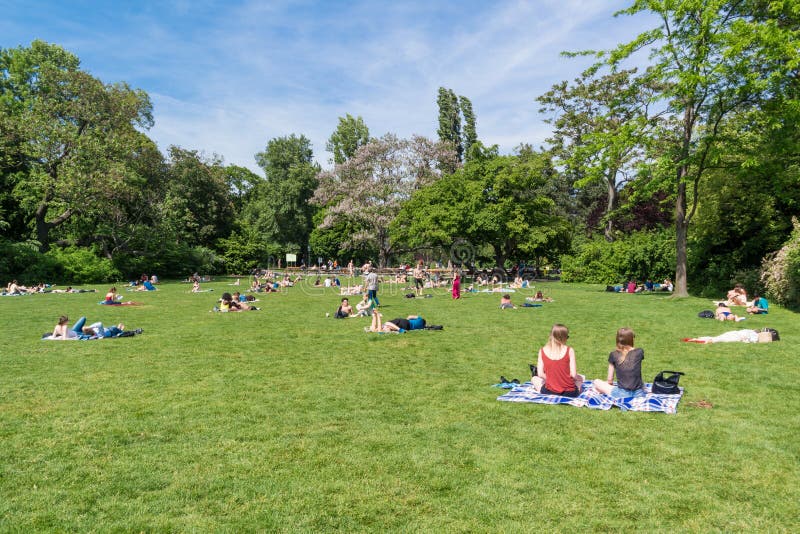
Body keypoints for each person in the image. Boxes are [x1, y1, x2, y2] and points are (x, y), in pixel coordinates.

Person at [531, 324, 584, 397]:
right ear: (563, 337)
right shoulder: (569, 350)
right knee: (580, 378)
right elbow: (573, 375)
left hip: (548, 392)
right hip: (570, 393)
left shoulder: (542, 351)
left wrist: (553, 380)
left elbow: (540, 374)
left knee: (534, 379)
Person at [592, 327, 646, 399]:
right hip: (639, 393)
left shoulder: (614, 354)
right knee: (642, 383)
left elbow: (610, 380)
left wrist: (608, 385)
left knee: (596, 382)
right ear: (632, 339)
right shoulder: (639, 352)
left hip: (622, 394)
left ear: (617, 339)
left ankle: (600, 390)